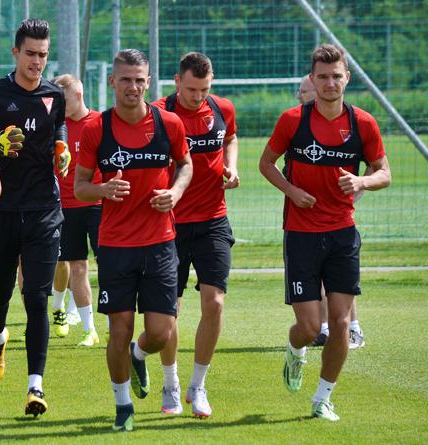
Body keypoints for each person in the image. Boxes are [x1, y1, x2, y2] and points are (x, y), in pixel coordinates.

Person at [259, 44, 391, 421]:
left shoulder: (363, 123)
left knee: (341, 324)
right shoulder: (292, 121)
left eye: (336, 76)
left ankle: (322, 399)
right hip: (301, 234)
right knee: (308, 327)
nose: (330, 83)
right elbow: (266, 163)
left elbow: (384, 172)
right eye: (323, 77)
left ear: (347, 78)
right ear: (312, 80)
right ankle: (295, 350)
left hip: (342, 234)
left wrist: (363, 181)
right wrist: (291, 190)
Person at [74, 48, 192, 431]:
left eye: (140, 80)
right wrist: (103, 189)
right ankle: (123, 406)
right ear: (112, 81)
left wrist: (175, 192)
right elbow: (79, 188)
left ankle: (139, 356)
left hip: (160, 242)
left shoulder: (169, 123)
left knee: (160, 331)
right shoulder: (97, 129)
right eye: (125, 79)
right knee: (119, 328)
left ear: (149, 82)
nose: (133, 86)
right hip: (116, 246)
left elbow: (186, 164)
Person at [0, 18, 70, 417]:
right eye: (30, 54)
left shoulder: (54, 94)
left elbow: (58, 128)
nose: (37, 62)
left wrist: (62, 148)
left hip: (44, 209)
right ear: (15, 52)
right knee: (0, 293)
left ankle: (35, 387)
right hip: (2, 210)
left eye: (43, 55)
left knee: (37, 297)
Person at [152, 51, 239, 417]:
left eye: (204, 89)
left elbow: (230, 137)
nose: (198, 96)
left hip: (213, 220)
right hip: (168, 225)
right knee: (168, 314)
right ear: (177, 81)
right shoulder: (158, 113)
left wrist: (232, 167)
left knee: (214, 303)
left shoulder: (222, 108)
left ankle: (198, 386)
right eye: (191, 89)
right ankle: (170, 384)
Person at [296, 74, 366, 350]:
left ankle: (353, 329)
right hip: (305, 218)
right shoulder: (298, 122)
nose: (299, 95)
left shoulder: (351, 122)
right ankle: (325, 328)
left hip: (337, 219)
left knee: (339, 280)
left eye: (303, 91)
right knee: (323, 278)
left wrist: (358, 186)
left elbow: (376, 164)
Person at [50, 74, 101, 346]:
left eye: (64, 100)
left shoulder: (99, 123)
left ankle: (109, 325)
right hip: (66, 207)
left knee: (105, 266)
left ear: (78, 95)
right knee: (74, 266)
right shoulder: (56, 128)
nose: (60, 106)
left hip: (97, 204)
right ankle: (86, 328)